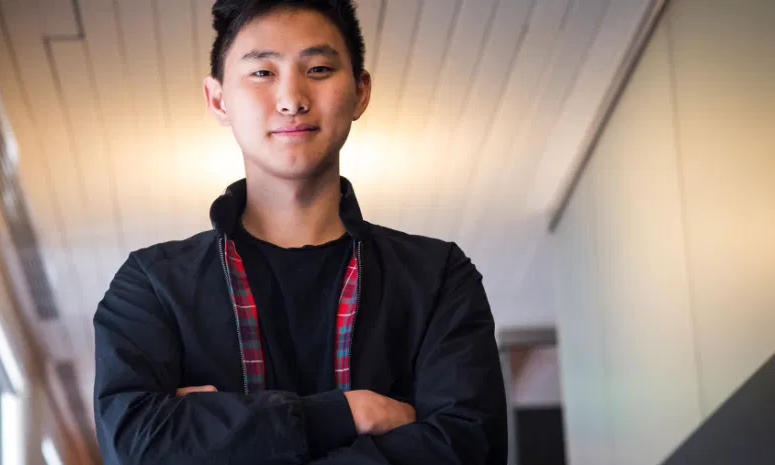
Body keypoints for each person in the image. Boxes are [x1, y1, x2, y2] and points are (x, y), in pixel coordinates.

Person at [92, 0, 507, 463]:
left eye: (319, 69)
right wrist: (346, 414)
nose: (292, 99)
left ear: (360, 92)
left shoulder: (436, 277)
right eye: (262, 73)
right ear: (218, 99)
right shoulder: (153, 284)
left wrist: (218, 435)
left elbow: (468, 448)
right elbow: (134, 446)